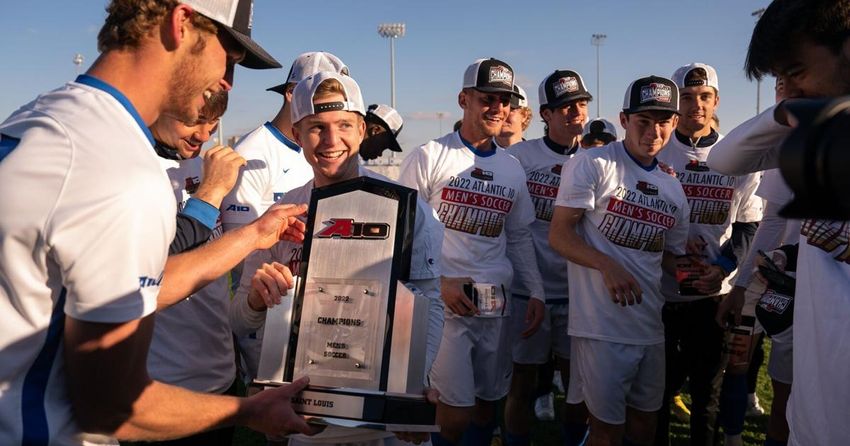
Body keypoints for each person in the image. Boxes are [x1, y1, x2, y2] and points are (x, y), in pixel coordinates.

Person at [0, 1, 318, 444]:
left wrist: (252, 234)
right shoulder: (119, 166)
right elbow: (113, 406)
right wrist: (249, 410)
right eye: (228, 53)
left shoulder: (39, 117)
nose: (226, 79)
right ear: (181, 22)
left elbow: (133, 289)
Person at [230, 71, 445, 445]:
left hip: (384, 418)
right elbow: (238, 317)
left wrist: (411, 386)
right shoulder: (281, 215)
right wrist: (254, 300)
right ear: (296, 135)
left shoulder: (407, 207)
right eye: (317, 127)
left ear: (363, 130)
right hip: (307, 416)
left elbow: (431, 304)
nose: (332, 140)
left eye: (344, 125)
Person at [707, 1, 850, 444]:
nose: (787, 89)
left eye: (796, 71)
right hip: (817, 398)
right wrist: (783, 113)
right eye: (778, 80)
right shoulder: (817, 134)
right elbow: (724, 159)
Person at [398, 58, 546, 446]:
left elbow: (517, 237)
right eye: (488, 98)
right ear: (464, 99)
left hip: (496, 300)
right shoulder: (429, 156)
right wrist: (440, 283)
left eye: (505, 100)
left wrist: (535, 291)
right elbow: (404, 233)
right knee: (454, 414)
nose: (498, 107)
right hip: (444, 304)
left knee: (487, 402)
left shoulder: (511, 168)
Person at [549, 75, 690, 446]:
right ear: (624, 120)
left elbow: (670, 257)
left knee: (645, 427)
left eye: (663, 121)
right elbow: (559, 235)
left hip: (649, 326)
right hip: (602, 326)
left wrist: (700, 273)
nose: (653, 132)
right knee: (606, 432)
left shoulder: (673, 186)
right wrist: (606, 264)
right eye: (643, 121)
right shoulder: (592, 163)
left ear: (675, 123)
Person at [221, 51, 349, 382]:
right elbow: (241, 254)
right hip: (271, 310)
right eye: (314, 91)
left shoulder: (324, 152)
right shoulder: (252, 154)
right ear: (293, 94)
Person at [652, 63, 762, 446]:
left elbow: (749, 224)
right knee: (657, 395)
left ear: (716, 101)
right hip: (661, 293)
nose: (696, 105)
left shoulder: (736, 155)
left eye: (704, 97)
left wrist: (724, 267)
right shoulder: (657, 149)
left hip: (714, 295)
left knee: (707, 398)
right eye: (686, 97)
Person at [139, 91, 244, 446]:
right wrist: (211, 192)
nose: (204, 135)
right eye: (193, 121)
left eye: (212, 125)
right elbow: (147, 271)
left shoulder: (206, 165)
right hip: (162, 386)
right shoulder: (133, 170)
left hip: (220, 377)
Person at [503, 69, 593, 446]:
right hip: (528, 290)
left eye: (581, 103)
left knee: (578, 386)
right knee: (522, 380)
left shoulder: (598, 158)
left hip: (578, 292)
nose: (575, 112)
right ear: (545, 114)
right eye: (565, 106)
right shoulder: (519, 158)